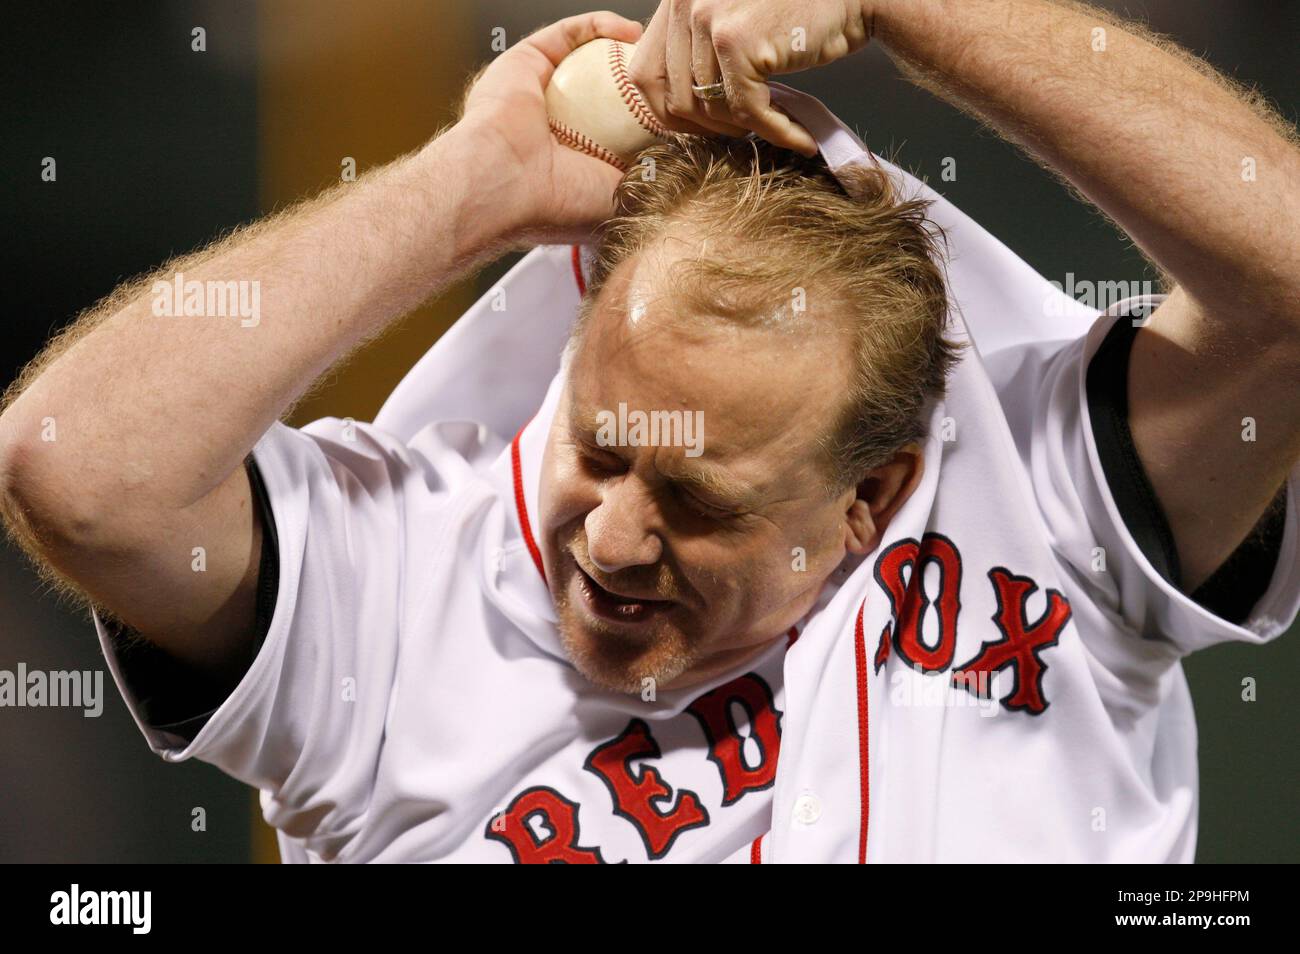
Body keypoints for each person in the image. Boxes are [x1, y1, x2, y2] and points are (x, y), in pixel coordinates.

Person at [0, 2, 1296, 862]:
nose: (614, 536)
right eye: (600, 443)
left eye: (698, 497)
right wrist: (472, 186)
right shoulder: (393, 586)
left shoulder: (1046, 494)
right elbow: (76, 468)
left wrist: (913, 11)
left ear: (873, 496)